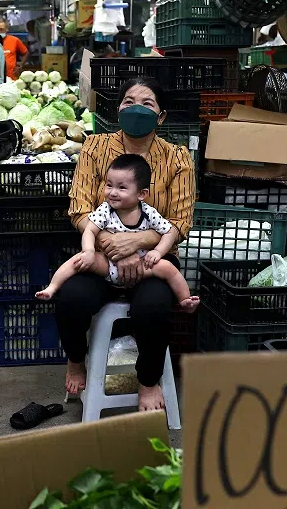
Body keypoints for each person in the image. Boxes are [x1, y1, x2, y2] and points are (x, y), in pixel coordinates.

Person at [54, 76, 195, 412]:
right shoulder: (95, 148)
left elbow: (180, 220)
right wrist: (111, 244)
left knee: (153, 308)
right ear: (117, 109)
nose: (136, 109)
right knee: (70, 299)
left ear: (161, 117)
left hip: (154, 260)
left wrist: (137, 243)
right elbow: (80, 209)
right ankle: (76, 360)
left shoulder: (178, 158)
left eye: (147, 104)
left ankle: (148, 382)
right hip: (103, 257)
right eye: (129, 102)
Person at [38, 153, 199, 312]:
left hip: (142, 265)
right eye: (109, 185)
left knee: (168, 268)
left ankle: (185, 300)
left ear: (142, 194)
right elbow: (90, 231)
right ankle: (52, 287)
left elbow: (170, 232)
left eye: (121, 187)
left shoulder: (149, 213)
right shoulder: (105, 210)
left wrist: (158, 251)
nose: (113, 192)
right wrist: (88, 251)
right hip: (107, 264)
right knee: (78, 261)